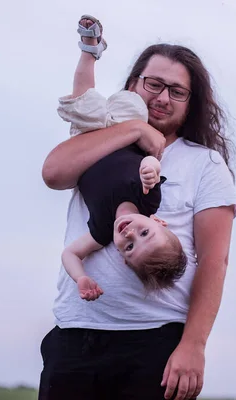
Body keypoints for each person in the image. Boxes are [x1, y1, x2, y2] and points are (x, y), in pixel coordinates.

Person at [39, 16, 236, 400]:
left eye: (178, 92)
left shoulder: (206, 164)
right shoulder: (99, 139)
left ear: (191, 102)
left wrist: (193, 345)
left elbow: (215, 262)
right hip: (76, 334)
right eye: (155, 84)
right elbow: (53, 173)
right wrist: (134, 130)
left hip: (156, 341)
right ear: (134, 85)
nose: (163, 98)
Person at [57, 15, 188, 301]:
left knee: (83, 101)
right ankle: (116, 71)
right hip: (127, 129)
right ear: (159, 222)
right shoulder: (148, 200)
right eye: (145, 234)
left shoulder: (101, 231)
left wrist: (81, 277)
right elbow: (153, 160)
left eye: (128, 247)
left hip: (91, 139)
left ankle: (89, 49)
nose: (130, 235)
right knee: (133, 105)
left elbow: (71, 253)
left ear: (122, 257)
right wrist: (149, 169)